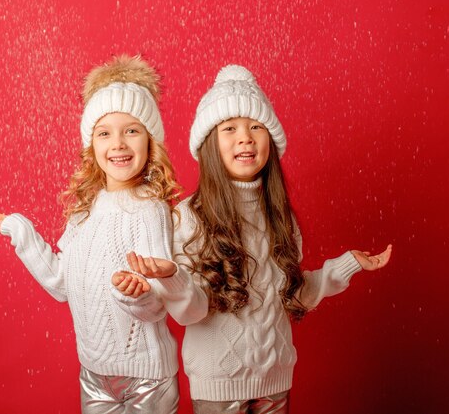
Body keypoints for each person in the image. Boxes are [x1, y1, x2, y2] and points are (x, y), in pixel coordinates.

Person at [118, 64, 392, 414]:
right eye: (230, 128)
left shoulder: (281, 218)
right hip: (217, 384)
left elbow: (292, 295)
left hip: (276, 381)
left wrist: (346, 266)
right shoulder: (188, 217)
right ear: (209, 145)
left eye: (256, 127)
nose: (245, 137)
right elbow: (190, 312)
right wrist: (171, 277)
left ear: (271, 142)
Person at [0, 55, 203, 414]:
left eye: (131, 130)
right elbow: (60, 283)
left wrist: (138, 295)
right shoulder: (84, 212)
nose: (118, 144)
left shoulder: (150, 209)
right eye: (104, 133)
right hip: (93, 374)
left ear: (150, 140)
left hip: (146, 379)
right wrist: (17, 228)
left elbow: (159, 304)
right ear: (91, 145)